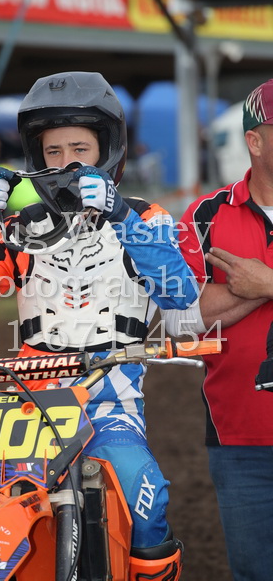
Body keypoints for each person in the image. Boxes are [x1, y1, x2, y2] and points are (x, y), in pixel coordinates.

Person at [0, 70, 199, 579]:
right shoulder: (20, 228)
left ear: (107, 151)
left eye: (80, 148)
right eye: (53, 151)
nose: (66, 162)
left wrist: (121, 217)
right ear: (36, 156)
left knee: (145, 498)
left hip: (109, 401)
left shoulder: (146, 217)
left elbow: (180, 296)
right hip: (26, 405)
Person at [168, 78, 273, 581]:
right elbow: (180, 318)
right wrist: (253, 289)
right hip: (239, 440)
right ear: (255, 141)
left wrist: (265, 281)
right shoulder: (205, 215)